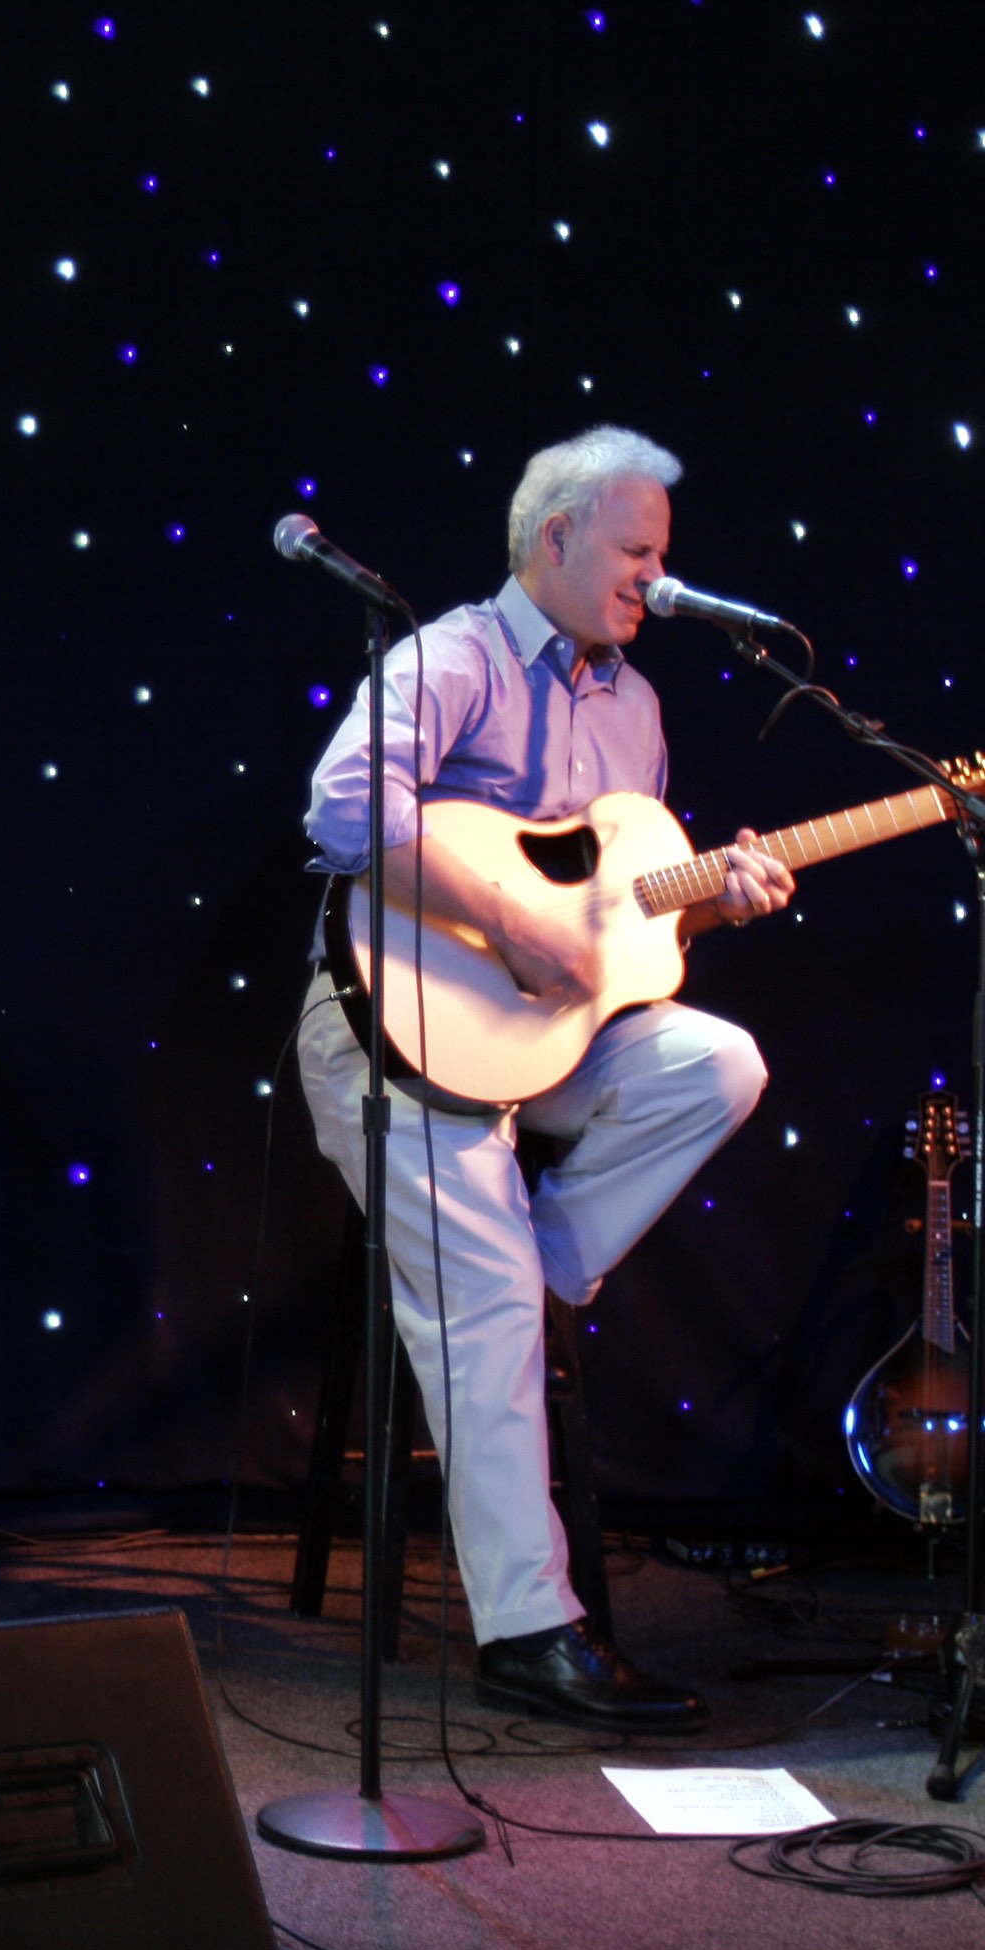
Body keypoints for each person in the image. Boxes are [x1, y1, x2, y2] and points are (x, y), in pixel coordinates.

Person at [294, 426, 793, 1732]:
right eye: (635, 551)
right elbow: (344, 810)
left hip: (545, 1051)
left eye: (663, 557)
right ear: (553, 538)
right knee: (490, 1304)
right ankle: (528, 1633)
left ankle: (539, 1259)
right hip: (387, 1033)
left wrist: (716, 908)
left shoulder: (637, 709)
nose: (653, 578)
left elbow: (623, 940)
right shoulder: (451, 654)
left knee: (717, 1063)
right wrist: (511, 926)